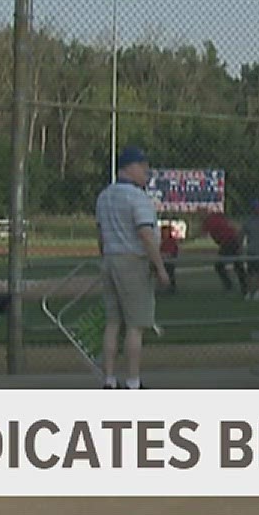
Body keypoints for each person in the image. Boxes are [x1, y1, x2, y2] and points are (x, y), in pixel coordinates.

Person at [94, 145, 171, 390]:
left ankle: (109, 379)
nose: (146, 172)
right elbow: (145, 234)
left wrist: (105, 255)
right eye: (143, 167)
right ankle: (133, 381)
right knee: (136, 325)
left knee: (113, 322)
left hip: (110, 258)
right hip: (133, 261)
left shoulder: (104, 195)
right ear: (130, 167)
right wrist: (160, 267)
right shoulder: (137, 197)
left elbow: (100, 235)